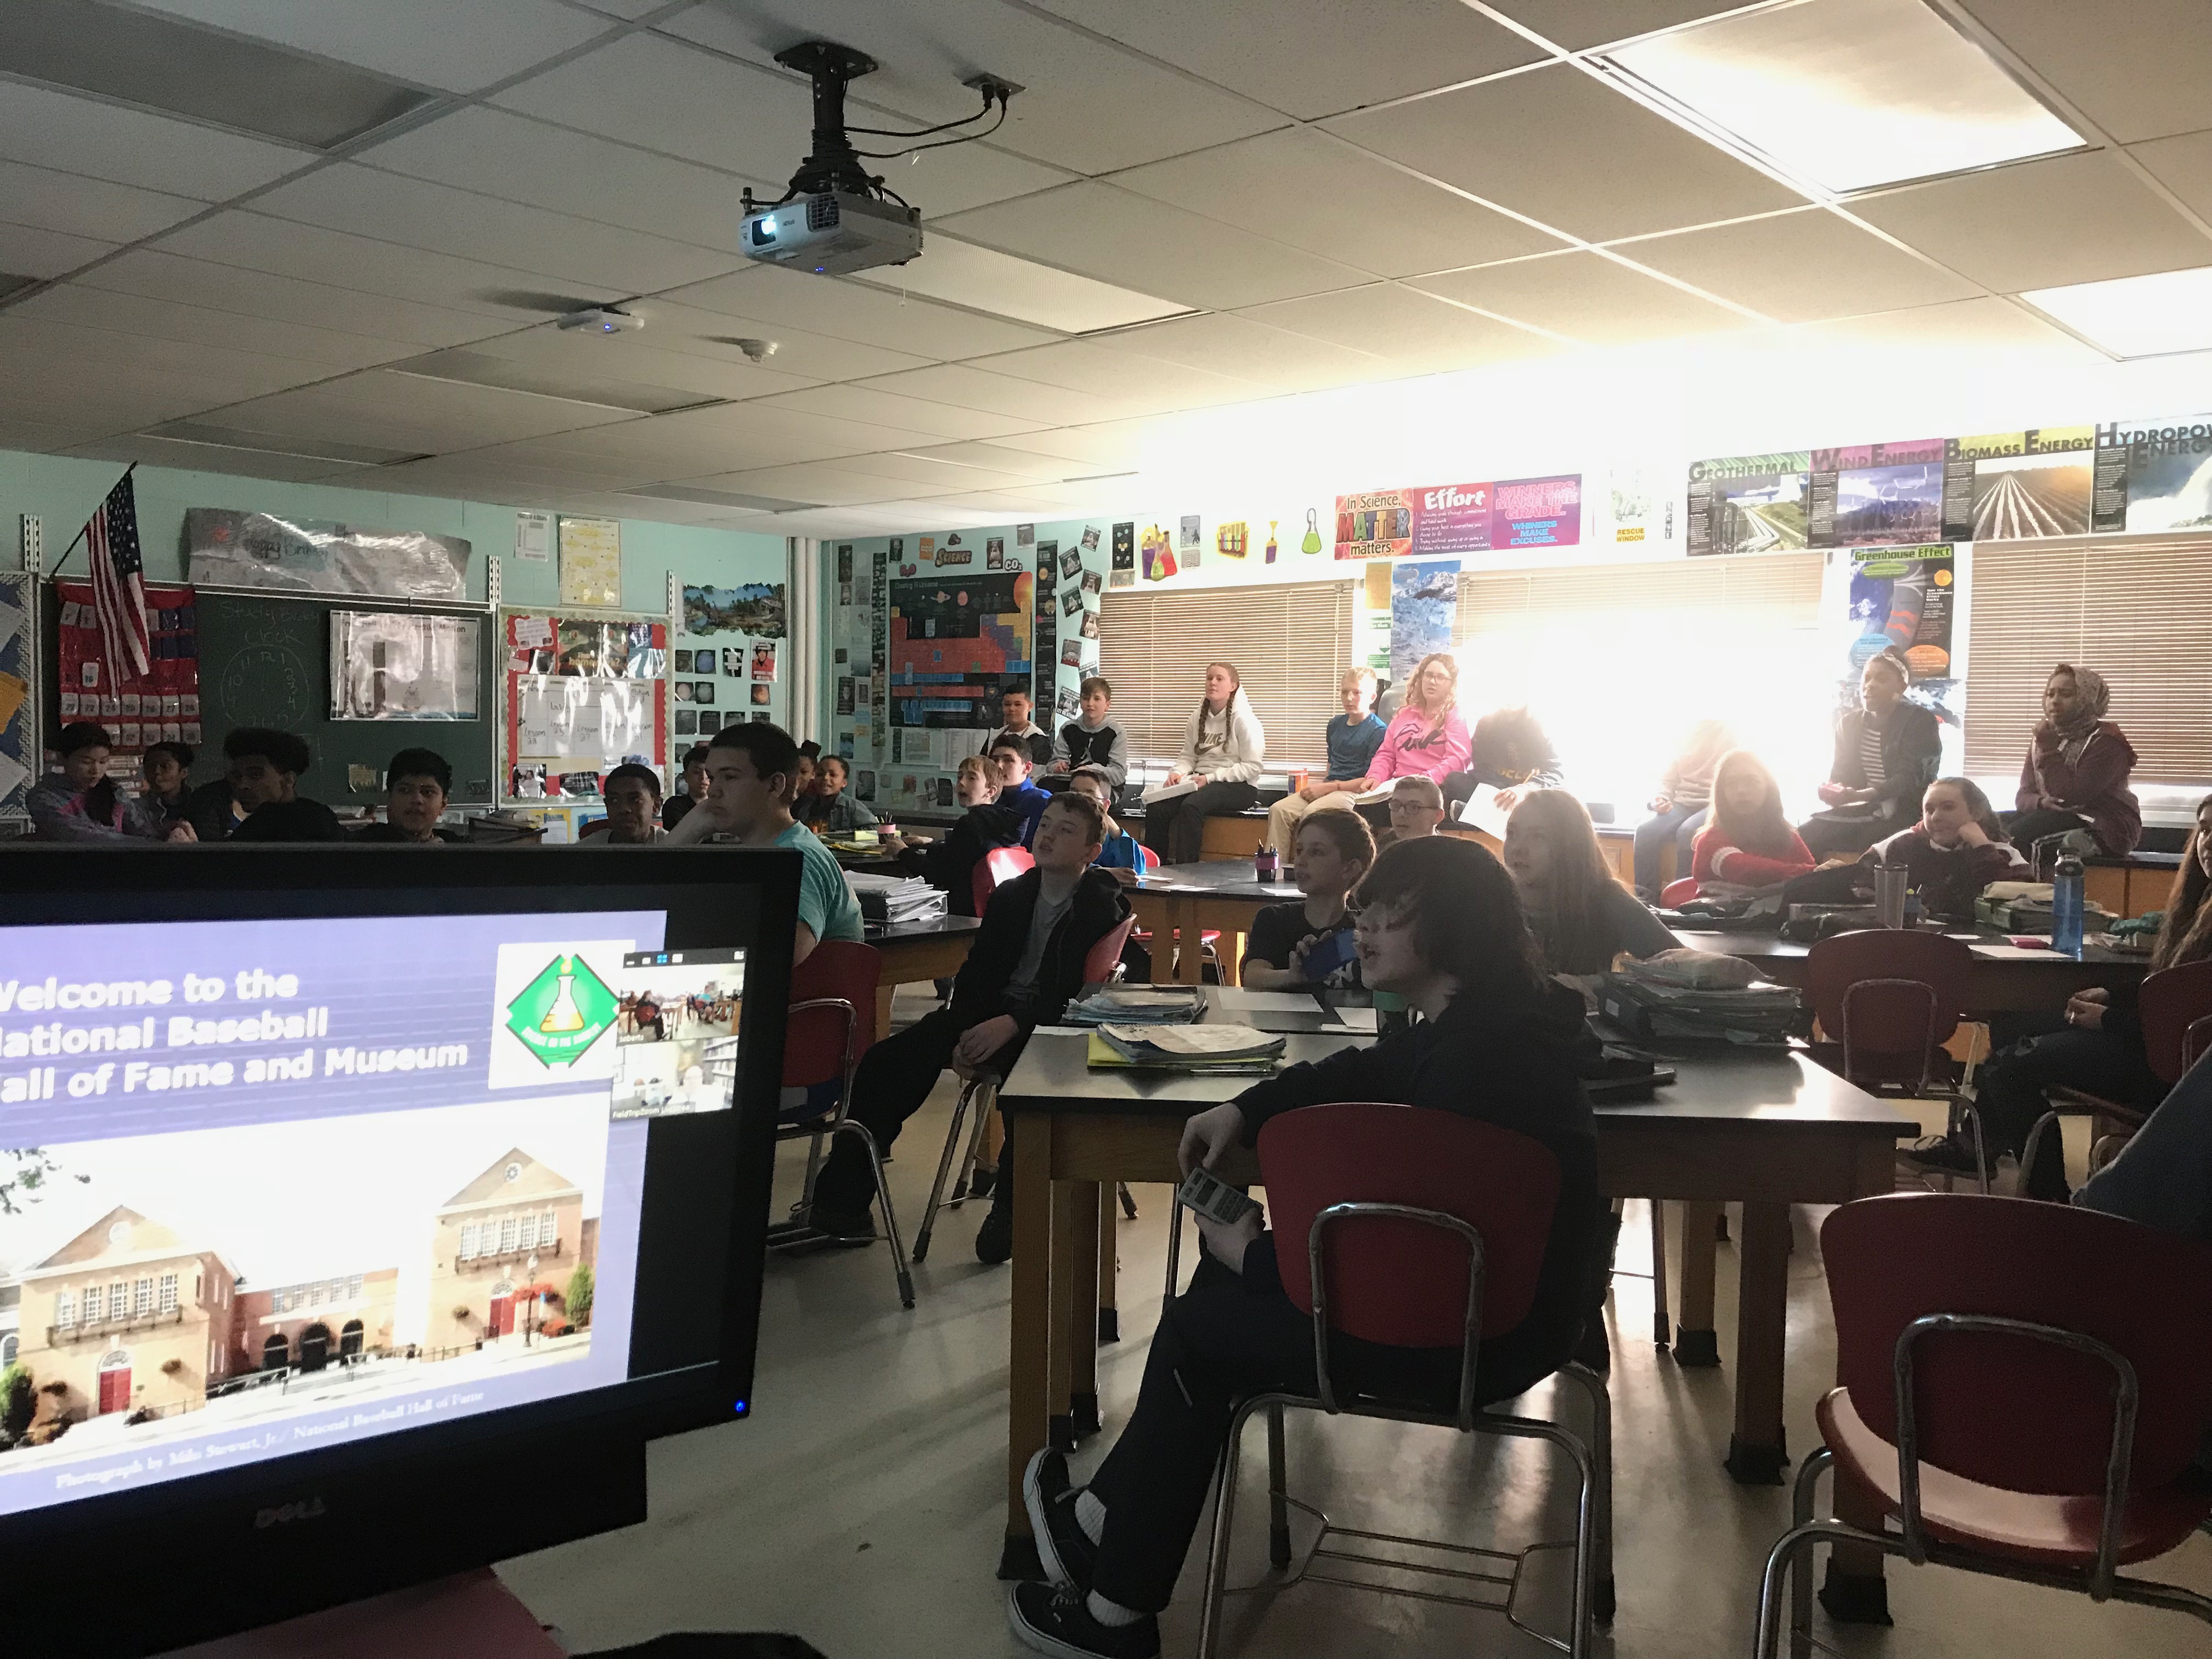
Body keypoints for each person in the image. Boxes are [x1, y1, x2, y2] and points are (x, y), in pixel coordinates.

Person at [1007, 836, 1601, 1658]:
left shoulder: (1477, 1062)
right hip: (1491, 1315)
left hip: (1472, 1336)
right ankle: (1096, 1525)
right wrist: (1245, 1110)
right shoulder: (1481, 1027)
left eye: (1391, 912)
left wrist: (1258, 1253)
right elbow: (1359, 1070)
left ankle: (1114, 1613)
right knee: (1208, 1311)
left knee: (1198, 1331)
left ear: (1454, 926)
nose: (1365, 926)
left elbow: (1411, 1261)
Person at [804, 791, 1130, 1240]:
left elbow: (1078, 995)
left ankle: (1013, 1213)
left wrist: (1014, 1023)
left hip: (1054, 1028)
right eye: (1047, 824)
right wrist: (964, 1029)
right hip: (990, 1014)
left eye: (1066, 830)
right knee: (885, 1064)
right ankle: (842, 1207)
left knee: (1025, 1085)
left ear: (1092, 853)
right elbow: (977, 973)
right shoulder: (1013, 896)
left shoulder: (1099, 904)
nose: (1049, 834)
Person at [1910, 792, 2212, 1198]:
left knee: (2009, 1068)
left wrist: (2106, 1020)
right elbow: (2165, 985)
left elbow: (2190, 1022)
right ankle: (1978, 1146)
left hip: (2176, 1064)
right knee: (2014, 1025)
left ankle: (2048, 1196)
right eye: (2205, 829)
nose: (2208, 841)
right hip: (2147, 1035)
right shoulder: (2198, 904)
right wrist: (2110, 993)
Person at [666, 722, 862, 966]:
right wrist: (694, 824)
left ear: (774, 785)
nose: (713, 790)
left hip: (797, 1003)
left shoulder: (795, 857)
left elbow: (774, 961)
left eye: (729, 777)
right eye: (713, 777)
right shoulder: (766, 850)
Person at [1266, 658, 1459, 855]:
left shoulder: (1454, 716)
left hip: (1426, 789)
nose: (1432, 682)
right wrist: (1375, 777)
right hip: (1394, 787)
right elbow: (1386, 753)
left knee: (1321, 814)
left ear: (1451, 683)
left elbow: (1457, 758)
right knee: (1280, 810)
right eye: (1428, 675)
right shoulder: (1404, 714)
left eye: (1440, 677)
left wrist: (1424, 779)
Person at [1502, 788, 1675, 973]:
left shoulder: (1605, 898)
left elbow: (1683, 964)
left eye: (1537, 837)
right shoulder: (1493, 897)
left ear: (1570, 845)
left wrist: (1601, 985)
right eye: (1512, 834)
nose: (1518, 849)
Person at [1796, 648, 1940, 860]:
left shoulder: (1919, 721)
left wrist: (1866, 794)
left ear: (1901, 686)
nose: (1870, 685)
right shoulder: (1848, 724)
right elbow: (1841, 774)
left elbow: (1912, 777)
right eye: (1867, 678)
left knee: (1875, 847)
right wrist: (1833, 791)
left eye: (1881, 679)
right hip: (1864, 810)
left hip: (1905, 812)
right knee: (1804, 835)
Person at [2010, 663, 2141, 857]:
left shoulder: (2106, 742)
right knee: (1997, 830)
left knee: (2026, 835)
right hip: (2052, 816)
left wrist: (2049, 749)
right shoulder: (2045, 737)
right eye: (2050, 694)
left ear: (2086, 699)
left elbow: (2068, 798)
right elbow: (2023, 795)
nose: (2054, 701)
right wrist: (2041, 802)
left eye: (2066, 694)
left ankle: (2033, 889)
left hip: (2103, 826)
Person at [1143, 661, 1265, 867]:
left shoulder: (1245, 720)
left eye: (1220, 679)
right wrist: (1177, 773)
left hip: (1239, 786)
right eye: (1209, 678)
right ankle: (1154, 868)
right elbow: (1189, 757)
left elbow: (1253, 767)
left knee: (1191, 806)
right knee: (1157, 807)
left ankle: (1186, 871)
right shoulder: (1196, 717)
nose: (1213, 683)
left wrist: (1210, 778)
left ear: (1233, 686)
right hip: (1199, 781)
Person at [1241, 810, 1374, 991]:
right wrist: (1294, 975)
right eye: (1299, 850)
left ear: (1350, 869)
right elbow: (1253, 976)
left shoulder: (1365, 929)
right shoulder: (1274, 919)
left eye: (1317, 852)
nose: (1301, 861)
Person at [1863, 777, 2027, 922]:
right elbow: (1856, 887)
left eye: (1948, 808)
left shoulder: (2003, 853)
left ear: (1976, 813)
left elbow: (2024, 905)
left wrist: (1981, 847)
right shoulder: (1899, 845)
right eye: (1929, 810)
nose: (1936, 817)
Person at [1632, 719, 1735, 899]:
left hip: (1713, 803)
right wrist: (1662, 799)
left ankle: (1682, 900)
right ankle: (1646, 898)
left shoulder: (1731, 735)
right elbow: (1667, 781)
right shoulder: (1681, 736)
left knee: (1688, 832)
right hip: (1681, 802)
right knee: (1645, 831)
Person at [1688, 751, 1814, 895]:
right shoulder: (1709, 841)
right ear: (1722, 793)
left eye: (1752, 782)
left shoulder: (1787, 835)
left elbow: (1816, 878)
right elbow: (1743, 869)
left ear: (1769, 789)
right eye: (1732, 783)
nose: (1741, 790)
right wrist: (1810, 872)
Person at [29, 724, 170, 842]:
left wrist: (168, 834)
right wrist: (144, 843)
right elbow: (80, 836)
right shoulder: (44, 797)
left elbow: (141, 830)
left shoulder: (115, 792)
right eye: (86, 762)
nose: (96, 770)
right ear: (62, 758)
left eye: (103, 762)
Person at [221, 727, 344, 842]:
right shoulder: (321, 815)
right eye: (237, 776)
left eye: (255, 775)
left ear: (288, 780)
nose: (242, 785)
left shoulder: (260, 827)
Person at [1443, 706, 1564, 815]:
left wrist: (1524, 790)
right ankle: (1495, 812)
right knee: (1454, 781)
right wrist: (1502, 792)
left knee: (1563, 798)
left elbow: (1554, 770)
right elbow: (1482, 767)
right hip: (1495, 790)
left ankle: (1475, 813)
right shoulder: (1486, 723)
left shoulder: (1541, 725)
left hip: (1529, 792)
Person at [350, 748, 455, 844]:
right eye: (405, 790)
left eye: (428, 792)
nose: (417, 800)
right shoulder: (354, 847)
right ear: (389, 798)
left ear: (443, 805)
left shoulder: (462, 849)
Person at [1049, 677, 1129, 792]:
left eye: (1097, 699)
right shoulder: (1068, 729)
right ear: (1080, 702)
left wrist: (1089, 770)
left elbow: (1119, 774)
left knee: (1086, 798)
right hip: (1072, 784)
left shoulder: (1117, 732)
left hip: (1104, 787)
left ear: (1107, 705)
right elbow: (1053, 764)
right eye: (1086, 698)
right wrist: (1057, 767)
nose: (1090, 704)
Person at [1067, 766, 1142, 872]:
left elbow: (1135, 872)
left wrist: (1117, 833)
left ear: (1105, 805)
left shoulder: (1112, 839)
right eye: (1074, 793)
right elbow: (1058, 864)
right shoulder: (1057, 828)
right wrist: (1104, 873)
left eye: (1088, 795)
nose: (1078, 800)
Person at [988, 732, 1054, 848]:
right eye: (995, 760)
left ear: (1027, 768)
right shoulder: (990, 801)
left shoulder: (1043, 801)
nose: (999, 766)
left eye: (1008, 760)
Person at [797, 755, 880, 834]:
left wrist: (838, 835)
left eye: (833, 775)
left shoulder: (851, 806)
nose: (825, 778)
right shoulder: (805, 806)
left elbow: (874, 829)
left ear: (844, 783)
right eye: (820, 774)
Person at [590, 763, 668, 844]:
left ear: (656, 805)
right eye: (614, 800)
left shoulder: (674, 848)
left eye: (635, 800)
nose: (624, 809)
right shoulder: (585, 851)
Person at [982, 687, 1054, 770]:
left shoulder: (1038, 739)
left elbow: (1038, 775)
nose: (1012, 709)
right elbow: (982, 766)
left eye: (1018, 704)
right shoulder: (994, 735)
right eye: (1007, 704)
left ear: (1030, 706)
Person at [139, 741, 196, 838]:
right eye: (150, 766)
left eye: (165, 767)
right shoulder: (138, 809)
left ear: (184, 772)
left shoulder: (199, 804)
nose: (156, 772)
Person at [1380, 775, 1448, 847]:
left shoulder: (1448, 854)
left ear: (1438, 816)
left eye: (1414, 807)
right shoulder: (1383, 845)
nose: (1401, 813)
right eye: (1396, 805)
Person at [662, 745, 711, 832]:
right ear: (686, 776)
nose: (703, 777)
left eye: (708, 772)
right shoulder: (674, 806)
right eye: (696, 772)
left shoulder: (725, 806)